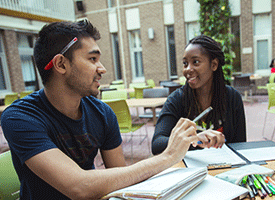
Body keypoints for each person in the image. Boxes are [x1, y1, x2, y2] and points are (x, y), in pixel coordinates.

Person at [1, 20, 201, 199]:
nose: (102, 69)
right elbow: (79, 186)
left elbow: (123, 180)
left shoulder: (103, 113)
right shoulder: (20, 118)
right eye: (92, 59)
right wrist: (168, 157)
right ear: (61, 64)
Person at [152, 35, 246, 155]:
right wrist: (195, 140)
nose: (188, 69)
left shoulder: (232, 98)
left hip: (224, 168)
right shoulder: (176, 100)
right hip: (188, 170)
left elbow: (241, 145)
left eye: (195, 62)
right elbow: (157, 144)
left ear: (214, 65)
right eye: (185, 63)